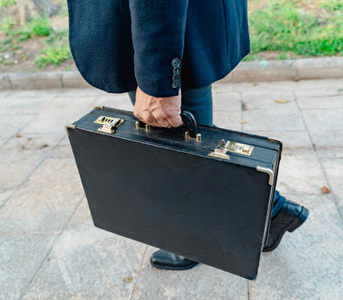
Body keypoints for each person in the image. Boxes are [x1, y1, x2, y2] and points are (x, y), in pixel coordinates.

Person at [67, 0, 309, 270]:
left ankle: (200, 236)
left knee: (183, 148)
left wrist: (158, 81)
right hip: (178, 22)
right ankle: (271, 212)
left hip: (163, 29)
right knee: (195, 145)